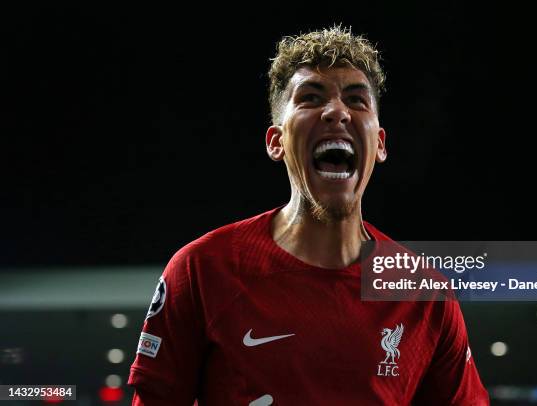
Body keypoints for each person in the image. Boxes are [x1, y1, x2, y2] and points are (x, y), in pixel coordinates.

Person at [128, 25, 490, 405]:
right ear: (276, 141)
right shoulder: (201, 270)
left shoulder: (425, 295)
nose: (337, 111)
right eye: (311, 97)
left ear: (380, 144)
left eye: (356, 99)